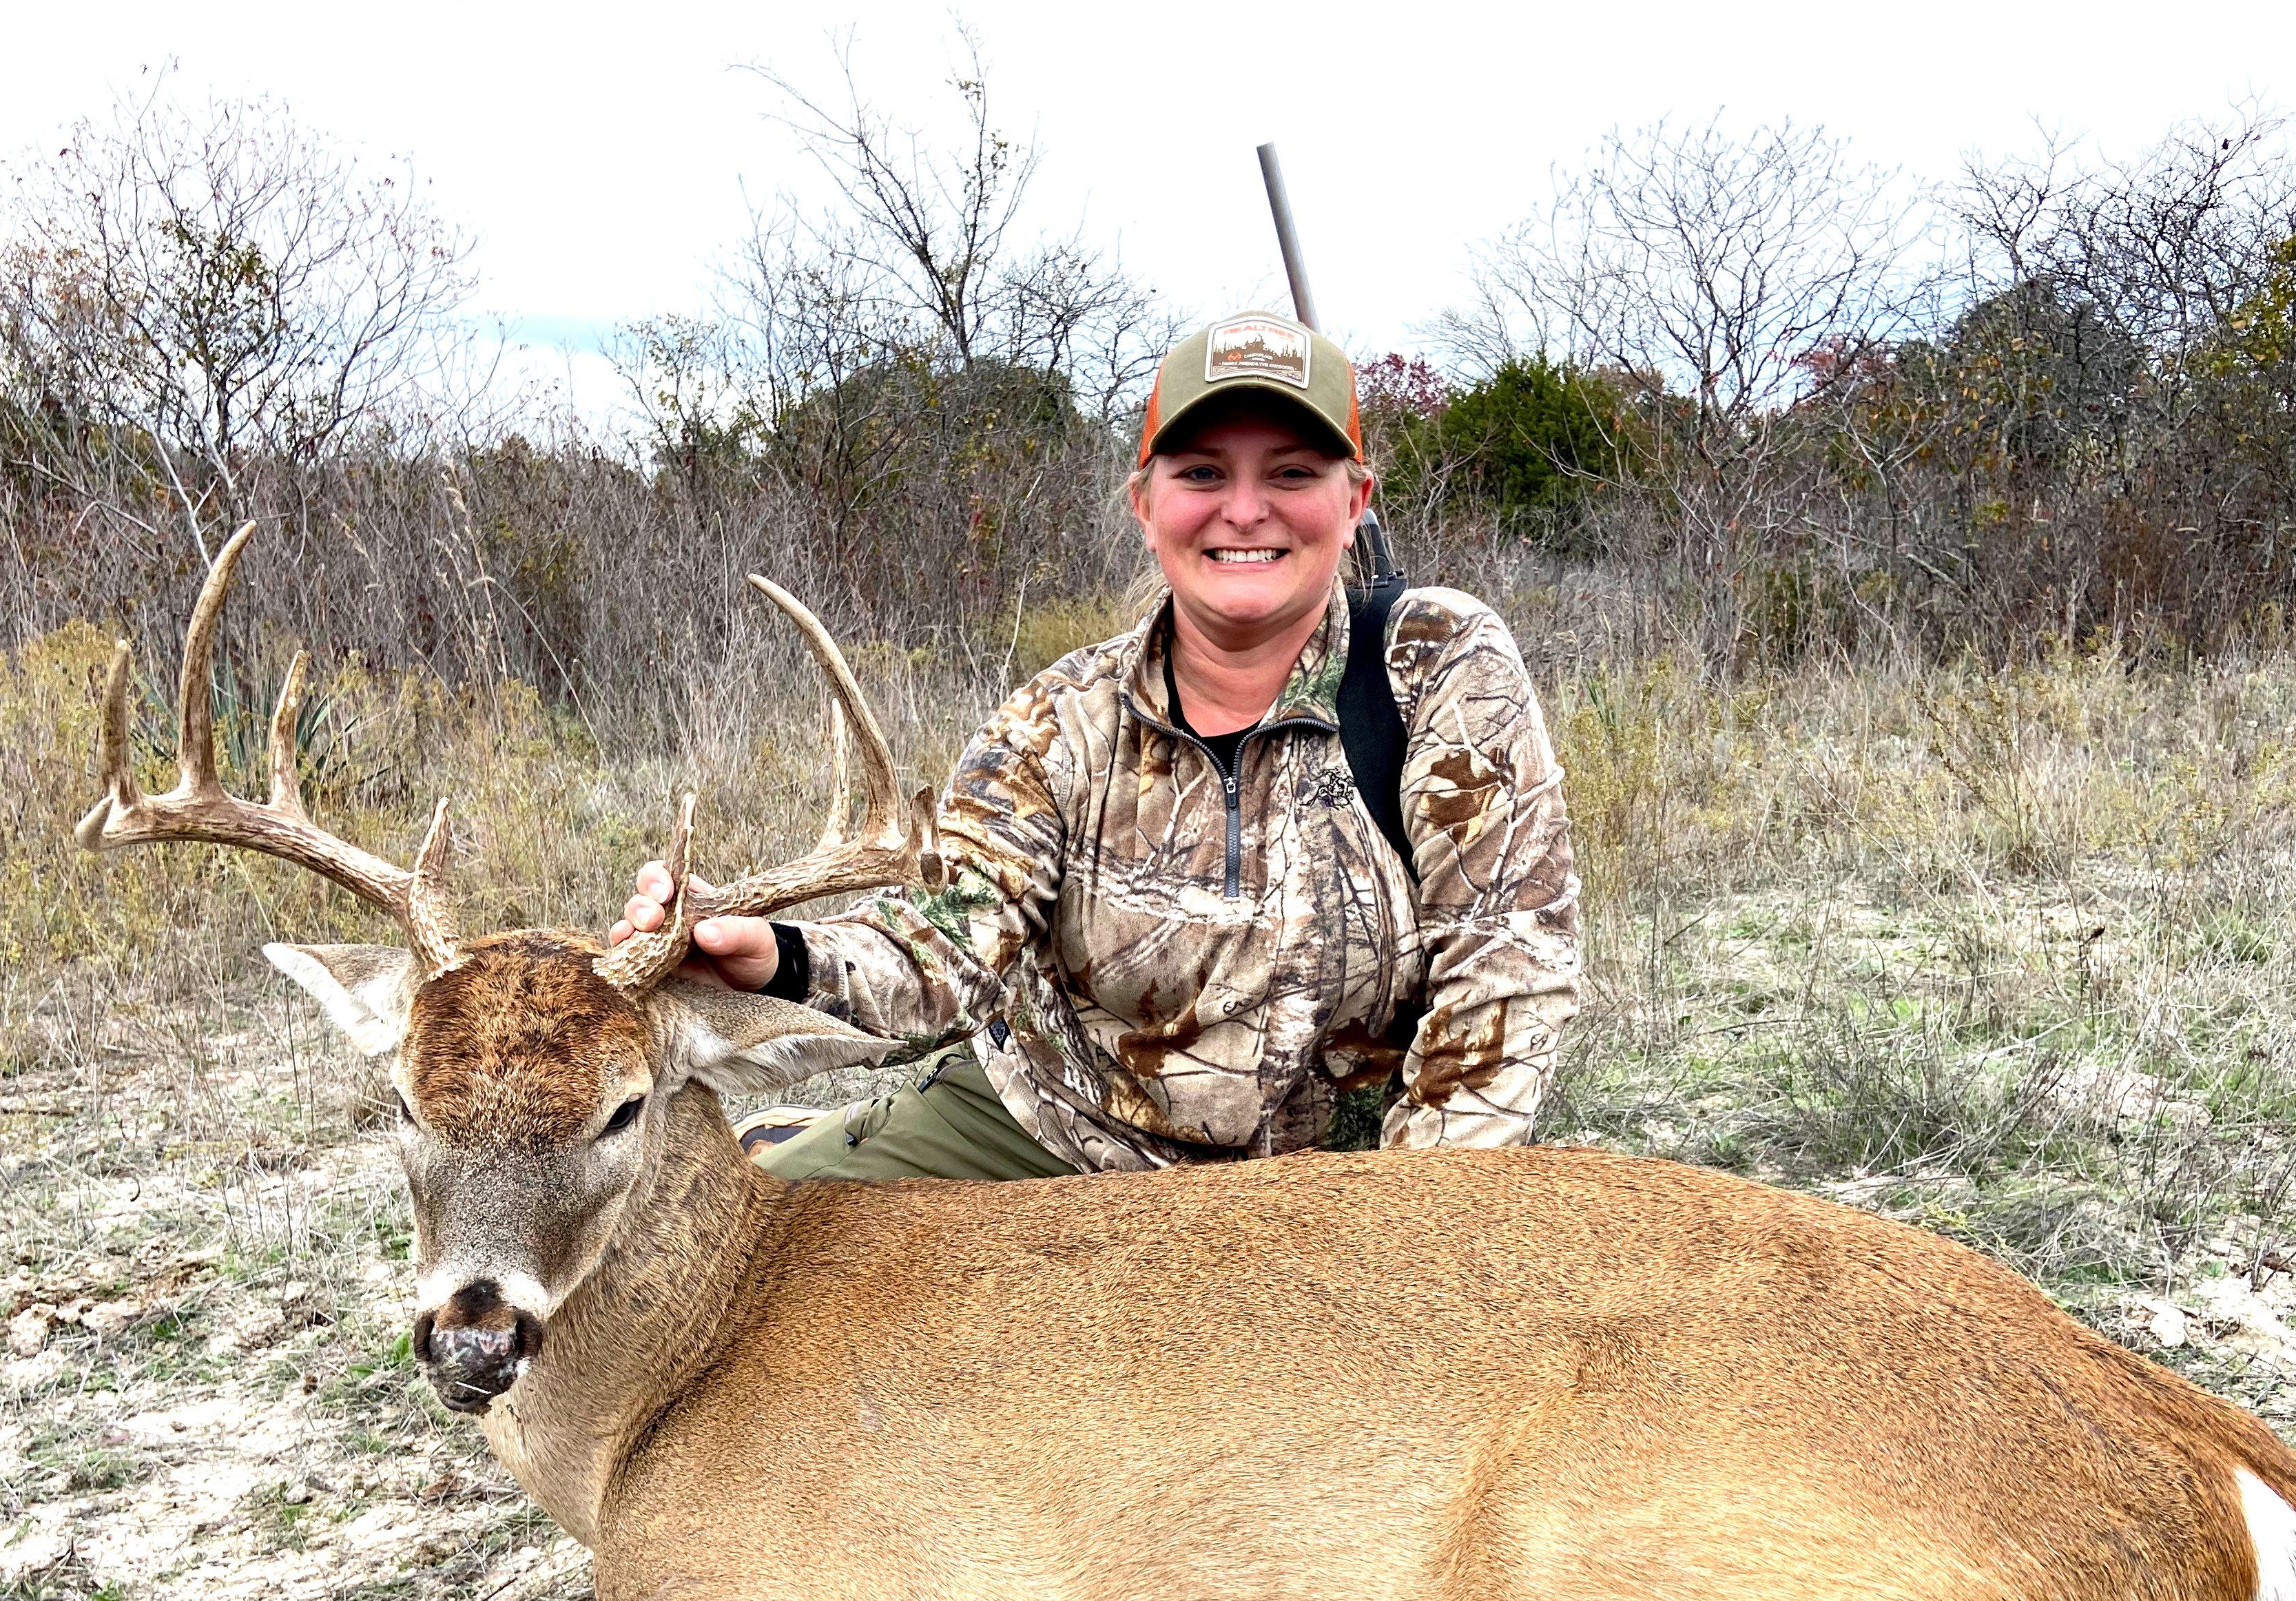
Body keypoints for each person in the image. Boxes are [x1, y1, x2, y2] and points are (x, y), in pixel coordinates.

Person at [610, 311, 1583, 1181]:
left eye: (1292, 472)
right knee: (749, 1265)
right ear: (1145, 503)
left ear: (1356, 498)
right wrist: (768, 955)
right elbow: (945, 947)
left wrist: (1414, 1222)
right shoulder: (1059, 720)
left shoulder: (1436, 664)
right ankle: (797, 1145)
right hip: (1052, 1134)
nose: (1245, 511)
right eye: (1202, 474)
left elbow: (1508, 972)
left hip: (1334, 1188)